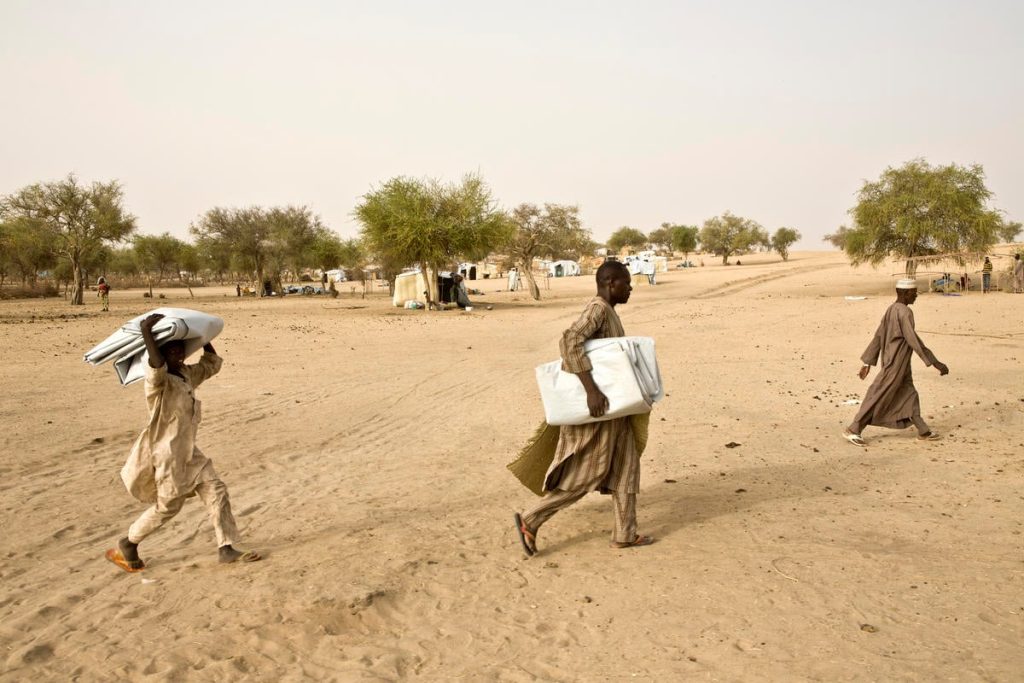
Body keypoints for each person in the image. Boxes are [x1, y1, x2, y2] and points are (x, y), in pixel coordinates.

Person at [514, 261, 653, 555]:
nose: (630, 289)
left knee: (626, 468)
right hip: (600, 411)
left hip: (616, 411)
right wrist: (591, 391)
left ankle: (625, 533)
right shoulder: (598, 309)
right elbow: (571, 340)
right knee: (586, 473)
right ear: (610, 282)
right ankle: (531, 518)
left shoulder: (610, 312)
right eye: (626, 283)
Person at [105, 313, 260, 572]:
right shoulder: (158, 383)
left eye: (181, 350)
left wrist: (204, 337)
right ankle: (129, 542)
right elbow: (154, 365)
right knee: (168, 507)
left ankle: (226, 547)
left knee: (216, 489)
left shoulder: (187, 375)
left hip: (189, 451)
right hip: (166, 454)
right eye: (172, 351)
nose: (178, 354)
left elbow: (211, 364)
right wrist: (147, 333)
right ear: (162, 355)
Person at [842, 279, 949, 447]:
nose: (916, 296)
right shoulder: (904, 312)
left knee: (909, 393)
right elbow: (913, 340)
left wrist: (868, 362)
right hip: (895, 363)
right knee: (879, 394)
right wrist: (935, 362)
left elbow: (878, 336)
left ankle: (923, 430)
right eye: (914, 293)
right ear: (905, 294)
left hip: (901, 364)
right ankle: (854, 428)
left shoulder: (891, 309)